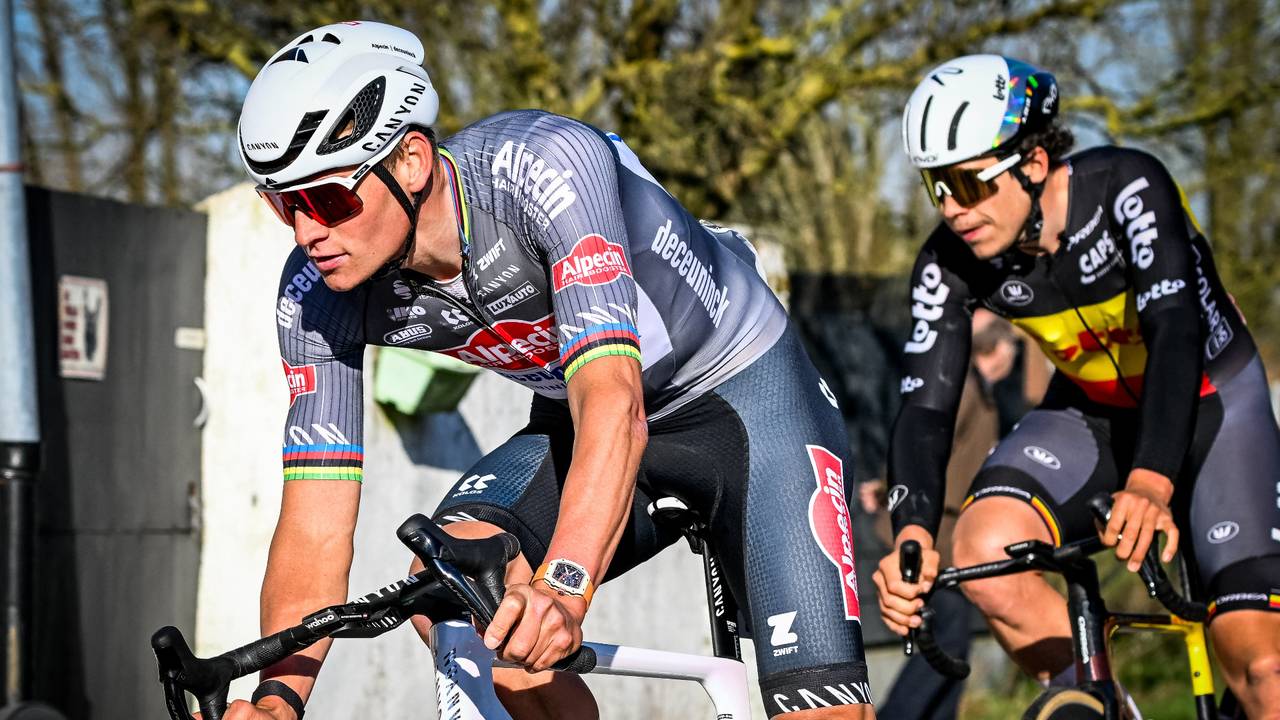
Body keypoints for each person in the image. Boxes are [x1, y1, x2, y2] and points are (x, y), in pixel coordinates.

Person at [224, 21, 874, 720]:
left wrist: (563, 590)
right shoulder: (316, 296)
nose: (307, 232)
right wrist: (277, 700)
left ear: (410, 160)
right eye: (283, 204)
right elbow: (315, 522)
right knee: (455, 583)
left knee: (824, 714)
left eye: (327, 199)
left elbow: (614, 401)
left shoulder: (543, 166)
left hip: (744, 401)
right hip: (582, 422)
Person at [873, 54, 1280, 719]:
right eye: (935, 187)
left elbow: (1175, 331)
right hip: (1092, 412)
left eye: (968, 183)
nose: (952, 209)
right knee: (982, 546)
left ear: (1033, 163)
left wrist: (1151, 481)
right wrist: (911, 533)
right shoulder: (948, 262)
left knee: (1262, 668)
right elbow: (924, 408)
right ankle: (1109, 709)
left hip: (1213, 399)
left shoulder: (1128, 186)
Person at [870, 310, 1047, 719]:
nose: (1012, 361)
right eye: (1011, 350)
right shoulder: (964, 392)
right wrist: (884, 486)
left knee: (953, 641)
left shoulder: (982, 394)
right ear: (996, 349)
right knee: (946, 637)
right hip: (931, 536)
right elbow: (921, 448)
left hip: (949, 539)